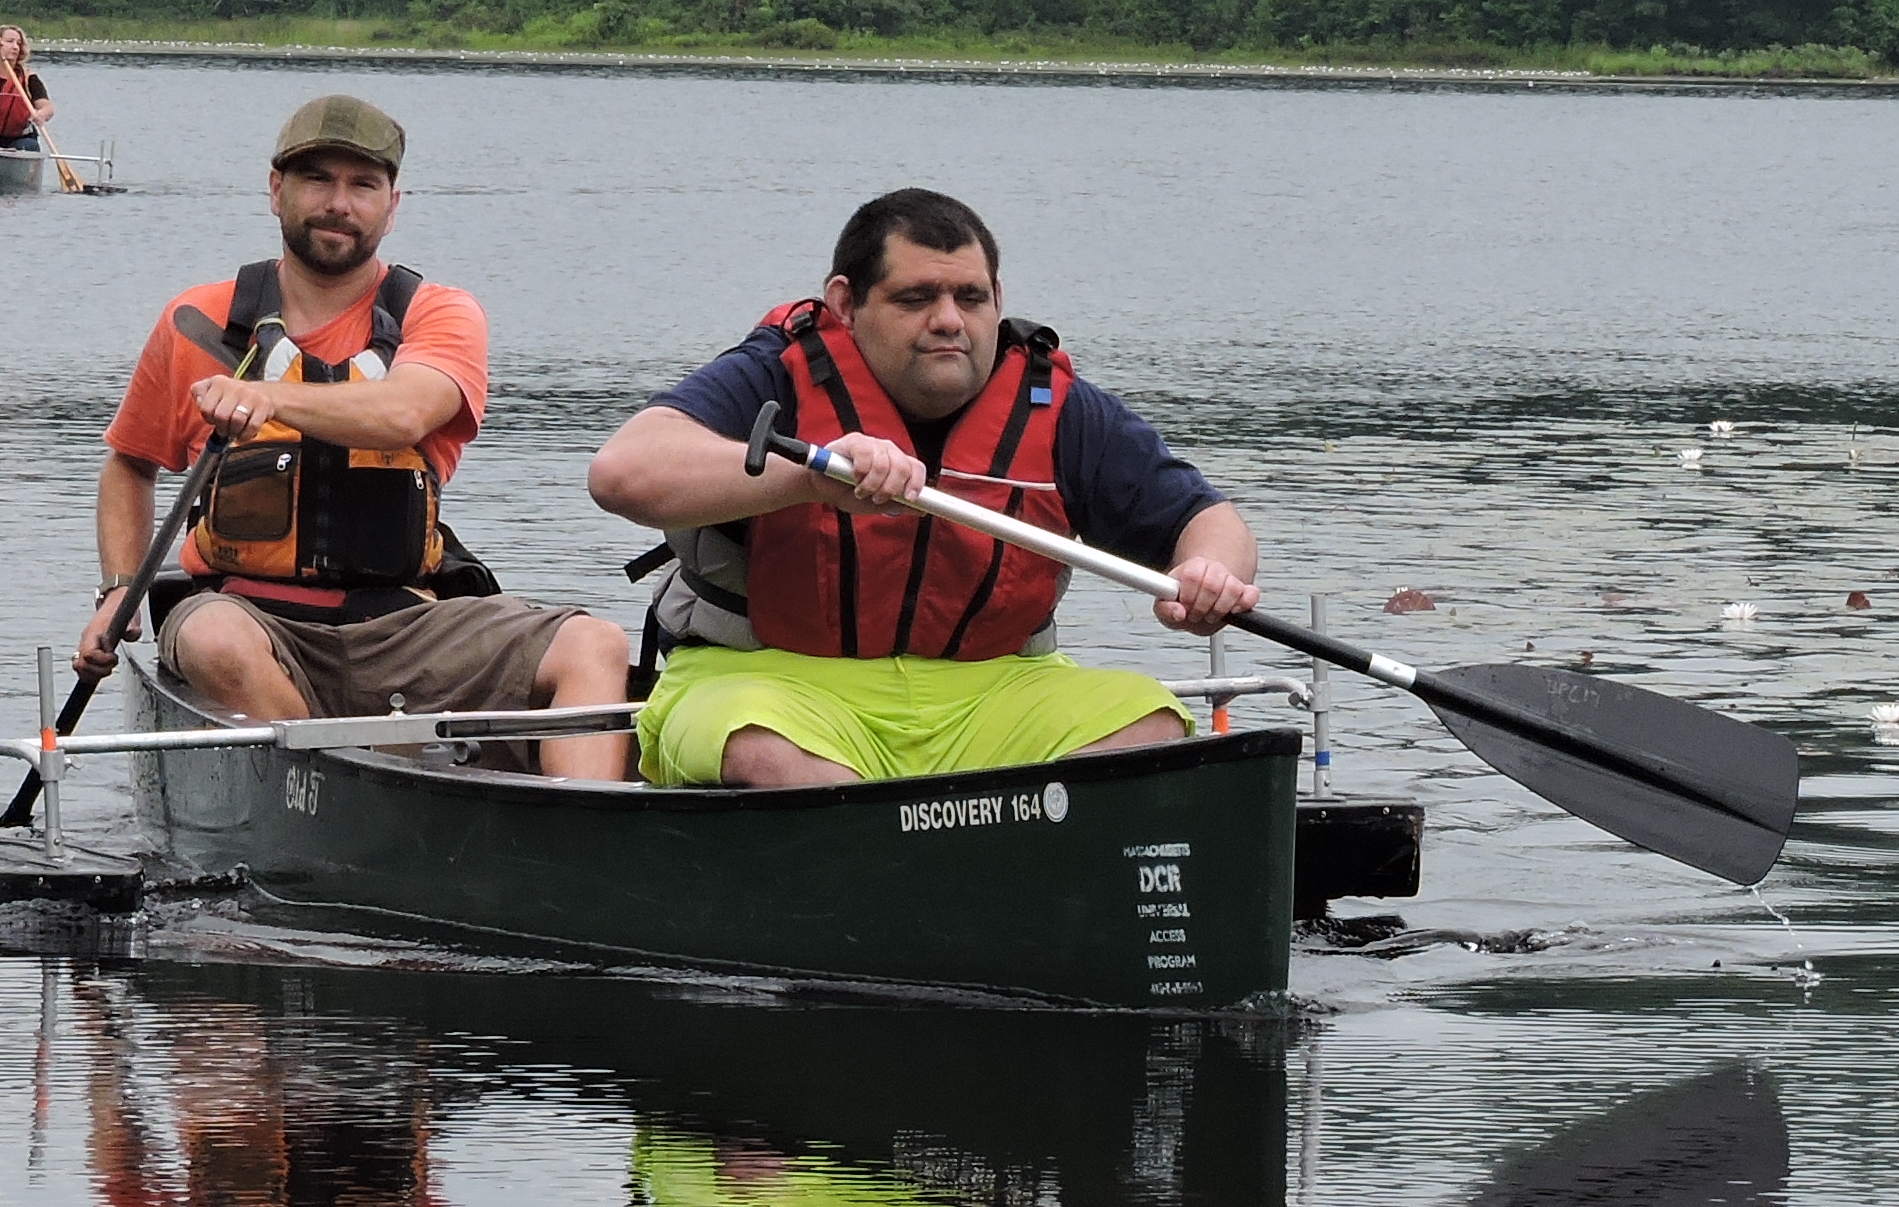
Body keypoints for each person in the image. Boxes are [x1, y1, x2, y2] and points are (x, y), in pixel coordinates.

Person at [587, 187, 1259, 788]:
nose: (948, 320)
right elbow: (622, 473)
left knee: (1149, 726)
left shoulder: (1056, 407)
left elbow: (1209, 520)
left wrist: (1210, 572)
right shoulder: (776, 374)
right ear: (846, 303)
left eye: (971, 298)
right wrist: (808, 478)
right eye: (916, 299)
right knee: (762, 752)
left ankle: (1012, 867)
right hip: (770, 683)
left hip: (991, 693)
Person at [75, 94, 630, 781]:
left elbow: (402, 413)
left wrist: (265, 395)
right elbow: (130, 464)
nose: (339, 202)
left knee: (595, 646)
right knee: (214, 637)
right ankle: (350, 787)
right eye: (318, 180)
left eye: (363, 184)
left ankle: (580, 847)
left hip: (402, 624)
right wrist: (116, 594)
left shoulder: (441, 314)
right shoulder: (197, 320)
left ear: (392, 205)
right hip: (245, 614)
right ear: (276, 190)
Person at [0, 24, 53, 151]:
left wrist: (41, 114)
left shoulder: (29, 78)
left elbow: (47, 107)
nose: (15, 47)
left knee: (29, 146)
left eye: (18, 43)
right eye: (10, 42)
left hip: (18, 139)